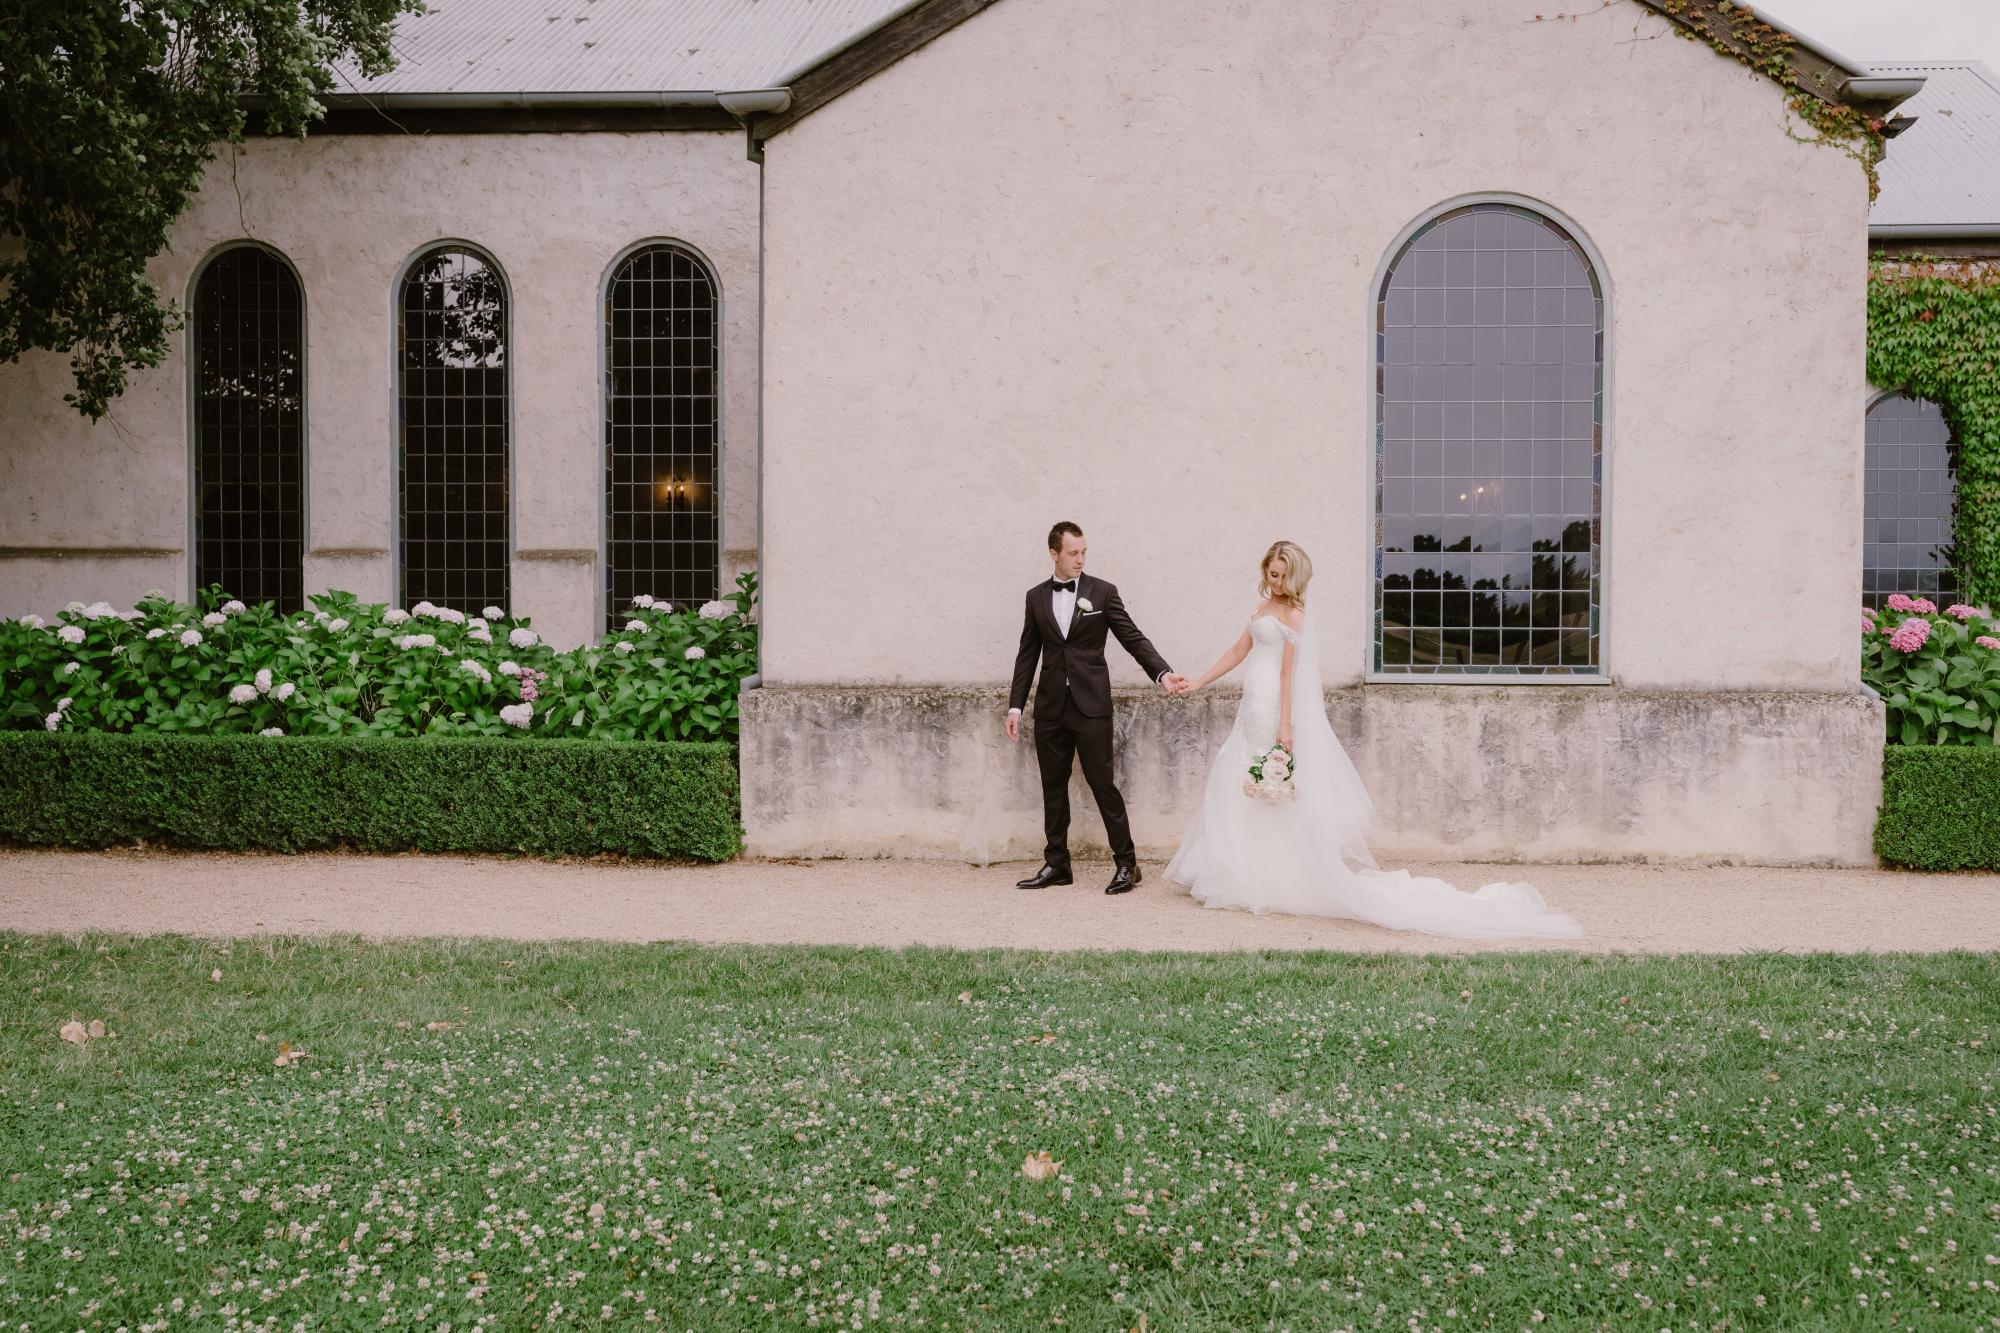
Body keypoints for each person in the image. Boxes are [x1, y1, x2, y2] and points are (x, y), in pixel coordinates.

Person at [1161, 540, 1583, 939]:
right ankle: (1239, 872)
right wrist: (1198, 681)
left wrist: (1285, 727)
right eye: (1270, 575)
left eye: (1281, 577)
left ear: (1295, 578)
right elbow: (1239, 651)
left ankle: (1272, 878)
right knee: (1237, 779)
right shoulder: (1262, 607)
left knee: (1271, 787)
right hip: (1249, 707)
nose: (1274, 583)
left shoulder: (1294, 617)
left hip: (1272, 706)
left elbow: (1289, 674)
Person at [1006, 521, 1187, 894]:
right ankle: (1057, 863)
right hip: (1051, 709)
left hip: (1091, 708)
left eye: (1084, 552)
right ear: (1054, 554)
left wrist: (1162, 673)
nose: (1080, 559)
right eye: (1073, 553)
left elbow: (1132, 637)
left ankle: (1126, 863)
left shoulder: (1102, 593)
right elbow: (1027, 655)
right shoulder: (1035, 597)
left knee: (1103, 785)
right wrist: (1015, 708)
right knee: (1052, 789)